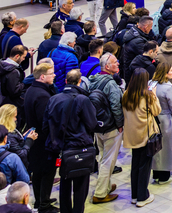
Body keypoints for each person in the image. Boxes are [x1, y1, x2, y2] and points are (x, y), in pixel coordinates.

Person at [44, 70, 97, 213]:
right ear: (80, 81)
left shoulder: (53, 99)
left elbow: (45, 125)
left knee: (65, 183)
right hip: (80, 147)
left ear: (66, 81)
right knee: (81, 186)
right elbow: (92, 124)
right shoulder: (82, 99)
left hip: (61, 149)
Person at [88, 53, 124, 203]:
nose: (118, 64)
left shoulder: (93, 80)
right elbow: (116, 106)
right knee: (109, 160)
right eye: (115, 63)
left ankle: (106, 186)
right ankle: (101, 193)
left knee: (102, 157)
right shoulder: (111, 84)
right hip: (111, 127)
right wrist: (120, 124)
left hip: (97, 125)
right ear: (108, 67)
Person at [122, 68, 159, 207]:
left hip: (132, 135)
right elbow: (156, 111)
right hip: (145, 135)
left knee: (135, 165)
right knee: (144, 166)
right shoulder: (147, 96)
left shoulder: (126, 94)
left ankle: (134, 195)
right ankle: (142, 197)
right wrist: (154, 96)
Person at [25, 61, 57, 213]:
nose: (54, 75)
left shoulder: (31, 89)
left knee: (37, 172)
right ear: (43, 77)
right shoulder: (43, 96)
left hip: (35, 139)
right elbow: (46, 121)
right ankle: (44, 204)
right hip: (44, 142)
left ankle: (40, 200)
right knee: (47, 172)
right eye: (51, 74)